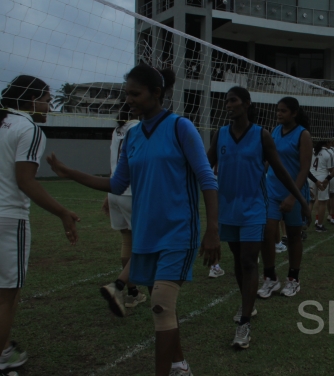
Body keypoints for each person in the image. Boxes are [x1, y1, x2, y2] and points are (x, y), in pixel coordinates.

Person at [47, 64, 220, 376]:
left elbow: (207, 178)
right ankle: (180, 365)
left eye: (135, 93)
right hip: (146, 235)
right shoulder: (132, 136)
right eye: (126, 94)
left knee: (161, 305)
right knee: (162, 308)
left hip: (178, 233)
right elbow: (116, 184)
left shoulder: (181, 127)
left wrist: (212, 230)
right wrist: (69, 172)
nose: (129, 100)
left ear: (157, 93)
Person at [206, 87, 311, 349]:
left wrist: (300, 200)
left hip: (254, 207)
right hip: (228, 209)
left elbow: (281, 170)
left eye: (233, 100)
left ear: (247, 104)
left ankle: (244, 324)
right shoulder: (220, 134)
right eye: (226, 101)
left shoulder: (262, 134)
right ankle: (248, 304)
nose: (228, 105)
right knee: (238, 261)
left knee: (249, 260)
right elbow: (204, 166)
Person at [0, 75, 80, 375]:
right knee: (6, 295)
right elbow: (25, 181)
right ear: (32, 100)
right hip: (8, 219)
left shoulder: (4, 122)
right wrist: (62, 212)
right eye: (47, 100)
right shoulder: (28, 128)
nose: (50, 106)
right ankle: (3, 358)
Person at [258, 96, 312, 299]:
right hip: (272, 190)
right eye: (278, 110)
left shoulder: (303, 134)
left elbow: (304, 169)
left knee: (293, 236)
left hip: (294, 192)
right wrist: (261, 176)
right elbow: (270, 159)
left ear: (294, 113)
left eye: (283, 111)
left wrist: (293, 197)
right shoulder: (275, 131)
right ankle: (270, 278)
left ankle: (293, 279)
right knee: (267, 232)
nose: (279, 114)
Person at [99, 105, 147, 316]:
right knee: (146, 243)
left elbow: (114, 163)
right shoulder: (139, 128)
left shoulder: (117, 130)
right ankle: (118, 286)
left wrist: (108, 193)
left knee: (128, 241)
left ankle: (133, 293)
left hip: (115, 191)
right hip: (132, 192)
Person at [311, 140, 334, 232]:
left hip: (311, 177)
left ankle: (303, 225)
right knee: (322, 202)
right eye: (330, 143)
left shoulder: (312, 150)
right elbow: (331, 170)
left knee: (310, 201)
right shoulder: (328, 153)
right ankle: (319, 225)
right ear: (327, 143)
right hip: (322, 178)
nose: (331, 145)